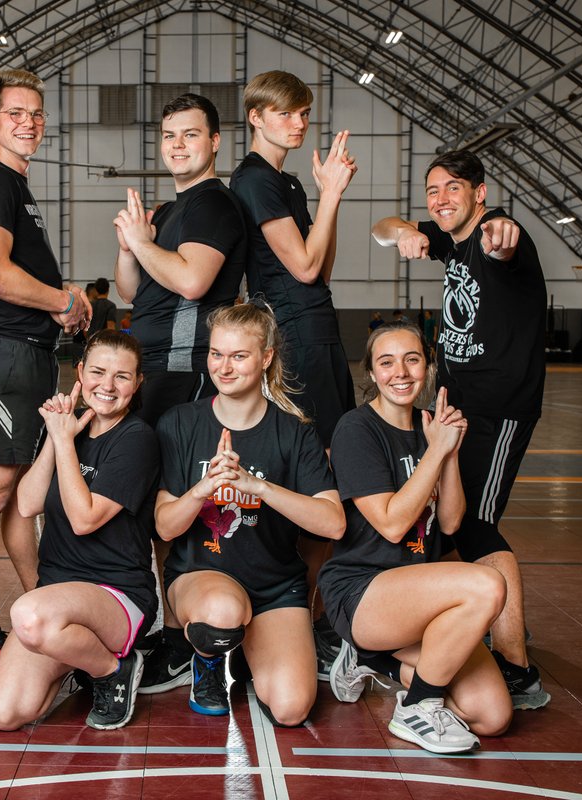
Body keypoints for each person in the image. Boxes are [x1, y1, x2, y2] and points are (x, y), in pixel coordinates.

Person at [371, 150, 550, 710]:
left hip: (497, 413)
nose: (440, 199)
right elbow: (380, 229)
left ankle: (517, 665)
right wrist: (405, 230)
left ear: (480, 191)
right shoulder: (450, 240)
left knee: (474, 525)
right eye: (432, 191)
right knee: (448, 522)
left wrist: (502, 231)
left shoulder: (498, 242)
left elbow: (506, 236)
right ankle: (458, 626)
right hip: (455, 406)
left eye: (453, 188)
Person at [320, 320, 511, 754]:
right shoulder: (356, 429)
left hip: (420, 596)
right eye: (387, 363)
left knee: (493, 716)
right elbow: (391, 523)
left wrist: (449, 451)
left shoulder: (431, 430)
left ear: (428, 365)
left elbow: (449, 522)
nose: (400, 373)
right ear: (371, 373)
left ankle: (374, 662)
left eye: (412, 360)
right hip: (363, 590)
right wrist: (437, 450)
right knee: (486, 585)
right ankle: (418, 703)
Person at [149, 302, 345, 725]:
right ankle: (207, 660)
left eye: (239, 356)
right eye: (217, 354)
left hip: (274, 586)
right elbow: (164, 528)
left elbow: (333, 522)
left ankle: (242, 650)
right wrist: (204, 489)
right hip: (203, 580)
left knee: (291, 709)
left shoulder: (294, 432)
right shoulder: (180, 423)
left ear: (266, 358)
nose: (224, 367)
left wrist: (258, 486)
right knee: (221, 612)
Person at [0, 68, 91, 671]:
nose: (28, 123)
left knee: (17, 503)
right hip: (4, 359)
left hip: (29, 358)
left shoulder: (16, 186)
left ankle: (44, 598)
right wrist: (61, 301)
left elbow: (16, 273)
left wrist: (59, 298)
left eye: (36, 114)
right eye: (15, 113)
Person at [113, 92, 247, 687]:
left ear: (215, 142)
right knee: (147, 504)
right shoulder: (169, 212)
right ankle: (161, 627)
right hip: (150, 366)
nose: (178, 146)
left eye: (190, 135)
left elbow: (192, 282)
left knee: (182, 503)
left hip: (185, 368)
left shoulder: (215, 205)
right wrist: (129, 246)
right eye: (170, 136)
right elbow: (129, 291)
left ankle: (189, 637)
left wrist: (143, 244)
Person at [227, 69, 357, 679]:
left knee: (331, 466)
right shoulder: (254, 180)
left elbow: (322, 268)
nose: (299, 123)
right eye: (285, 113)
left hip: (319, 327)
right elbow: (303, 267)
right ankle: (303, 615)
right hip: (295, 335)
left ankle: (320, 615)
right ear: (256, 116)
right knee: (312, 470)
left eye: (303, 113)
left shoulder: (285, 182)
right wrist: (330, 194)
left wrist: (325, 197)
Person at [0, 331, 159, 731]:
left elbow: (84, 519)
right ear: (80, 372)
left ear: (137, 384)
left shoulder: (137, 440)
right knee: (3, 714)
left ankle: (112, 668)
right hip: (59, 597)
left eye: (122, 376)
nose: (108, 385)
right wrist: (56, 437)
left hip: (115, 596)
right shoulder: (68, 432)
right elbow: (28, 503)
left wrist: (65, 442)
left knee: (29, 615)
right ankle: (78, 657)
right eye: (98, 372)